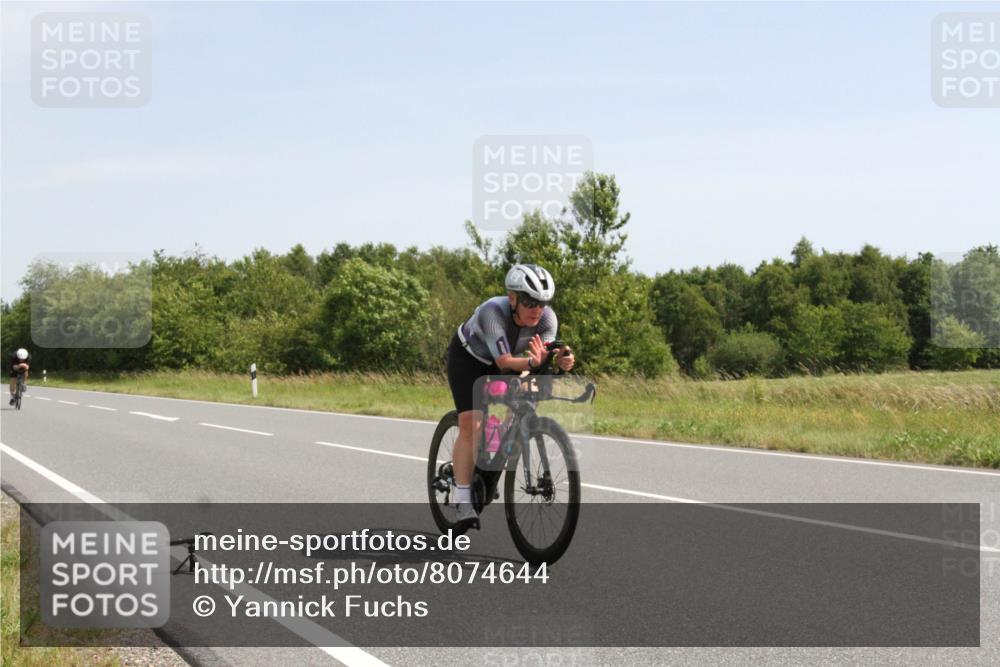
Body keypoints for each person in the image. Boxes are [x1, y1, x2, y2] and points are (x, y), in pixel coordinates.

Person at [446, 264, 575, 530]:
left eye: (541, 303)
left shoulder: (548, 318)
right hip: (470, 360)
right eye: (529, 302)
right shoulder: (492, 312)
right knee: (472, 423)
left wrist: (563, 359)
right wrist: (532, 361)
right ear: (513, 298)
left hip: (510, 362)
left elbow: (547, 352)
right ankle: (462, 499)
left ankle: (489, 465)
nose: (536, 309)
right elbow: (504, 360)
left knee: (521, 402)